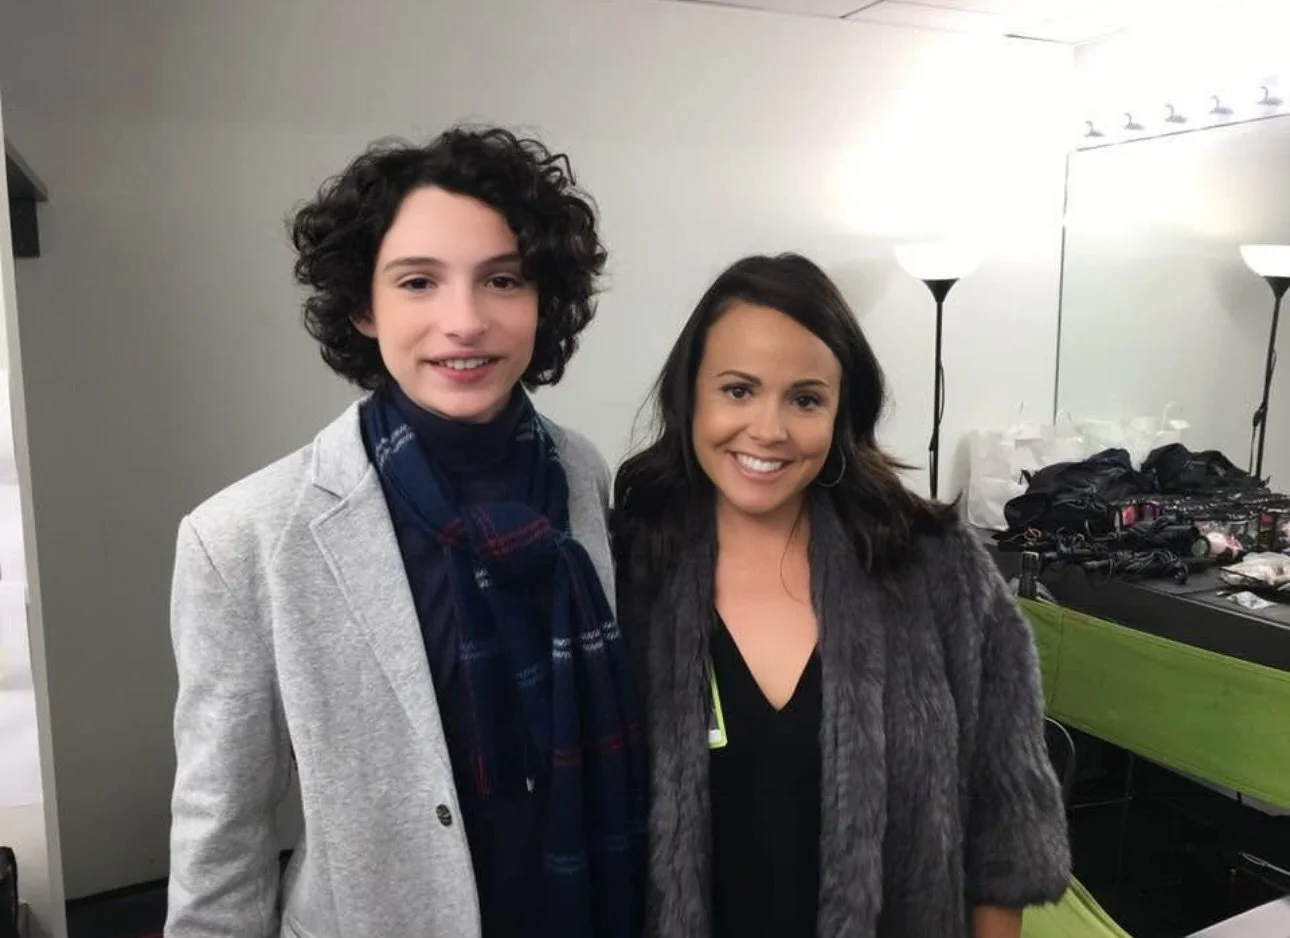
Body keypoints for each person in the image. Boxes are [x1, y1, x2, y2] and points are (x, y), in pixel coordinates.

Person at [166, 127, 646, 938]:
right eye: (418, 282)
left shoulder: (581, 472)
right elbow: (223, 833)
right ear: (362, 304)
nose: (464, 321)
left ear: (543, 300)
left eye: (501, 279)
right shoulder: (243, 537)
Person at [612, 253, 1070, 938]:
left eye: (805, 399)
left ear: (841, 411)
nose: (768, 429)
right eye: (738, 390)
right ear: (690, 397)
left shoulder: (935, 566)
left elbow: (1003, 824)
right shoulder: (627, 569)